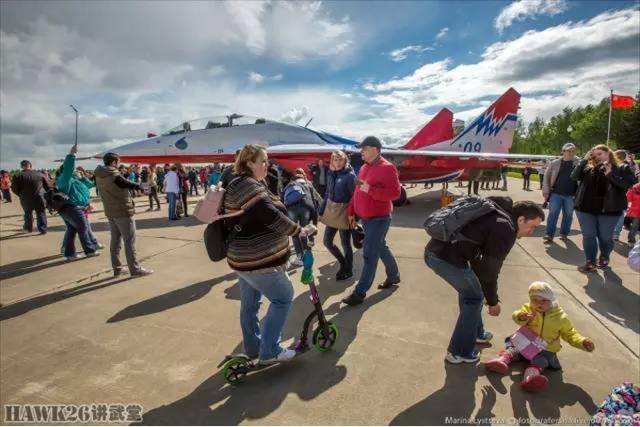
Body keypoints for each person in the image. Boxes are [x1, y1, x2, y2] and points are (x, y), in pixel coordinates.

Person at [223, 144, 316, 364]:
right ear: (249, 163)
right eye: (263, 160)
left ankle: (254, 348)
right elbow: (270, 215)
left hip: (245, 259)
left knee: (250, 305)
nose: (268, 164)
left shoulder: (249, 183)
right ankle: (270, 351)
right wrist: (300, 230)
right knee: (283, 297)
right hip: (256, 260)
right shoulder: (247, 186)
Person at [425, 197, 545, 364]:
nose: (531, 232)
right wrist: (492, 301)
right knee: (473, 298)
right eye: (532, 226)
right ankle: (458, 352)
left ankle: (476, 333)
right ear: (521, 219)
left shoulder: (497, 212)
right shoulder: (505, 229)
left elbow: (479, 259)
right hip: (444, 259)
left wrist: (487, 293)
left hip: (440, 252)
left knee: (472, 291)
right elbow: (490, 271)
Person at [484, 282, 594, 392]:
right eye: (534, 300)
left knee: (541, 361)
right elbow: (516, 316)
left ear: (551, 300)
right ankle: (501, 361)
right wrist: (520, 316)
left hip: (545, 349)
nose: (538, 304)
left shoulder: (560, 318)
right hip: (526, 342)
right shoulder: (528, 308)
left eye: (543, 300)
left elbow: (570, 334)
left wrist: (582, 342)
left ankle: (530, 379)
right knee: (514, 350)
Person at [342, 136, 401, 306]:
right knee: (380, 247)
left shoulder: (387, 168)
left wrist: (370, 189)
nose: (361, 152)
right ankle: (394, 275)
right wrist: (352, 211)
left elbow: (394, 194)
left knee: (369, 255)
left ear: (375, 149)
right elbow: (357, 191)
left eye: (364, 149)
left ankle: (359, 293)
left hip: (379, 219)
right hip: (366, 219)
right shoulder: (364, 168)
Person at [572, 144, 634, 272]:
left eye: (600, 154)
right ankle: (590, 262)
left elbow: (628, 185)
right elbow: (574, 176)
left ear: (608, 153)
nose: (597, 157)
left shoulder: (622, 168)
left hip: (610, 210)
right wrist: (584, 160)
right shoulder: (589, 168)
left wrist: (610, 174)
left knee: (605, 238)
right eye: (594, 155)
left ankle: (604, 255)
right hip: (585, 209)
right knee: (589, 235)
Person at [95, 153, 153, 277]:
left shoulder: (100, 175)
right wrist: (142, 187)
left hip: (110, 212)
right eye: (118, 162)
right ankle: (135, 269)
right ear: (113, 163)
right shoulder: (114, 175)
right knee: (129, 241)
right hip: (122, 211)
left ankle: (117, 268)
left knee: (115, 241)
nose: (119, 164)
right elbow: (126, 183)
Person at [56, 144, 100, 260]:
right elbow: (68, 168)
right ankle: (90, 250)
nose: (75, 171)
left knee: (72, 230)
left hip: (76, 208)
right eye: (74, 170)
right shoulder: (64, 179)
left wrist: (82, 176)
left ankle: (69, 254)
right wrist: (71, 154)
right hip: (72, 207)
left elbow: (90, 185)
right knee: (83, 228)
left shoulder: (76, 180)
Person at [321, 150, 357, 280]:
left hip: (344, 212)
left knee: (345, 244)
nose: (337, 162)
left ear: (345, 160)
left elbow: (355, 197)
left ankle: (348, 270)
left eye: (340, 159)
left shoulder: (350, 176)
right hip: (332, 211)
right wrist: (321, 209)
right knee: (327, 241)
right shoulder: (331, 173)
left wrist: (353, 215)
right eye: (335, 159)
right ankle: (342, 262)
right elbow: (327, 193)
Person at [542, 143, 580, 243]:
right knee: (553, 214)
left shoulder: (578, 163)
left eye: (573, 151)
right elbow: (547, 176)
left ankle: (564, 233)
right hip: (556, 193)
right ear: (563, 151)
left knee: (568, 215)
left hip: (571, 195)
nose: (571, 153)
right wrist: (546, 191)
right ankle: (549, 234)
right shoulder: (555, 163)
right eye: (568, 151)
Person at [282, 168, 320, 267]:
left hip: (291, 210)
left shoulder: (290, 185)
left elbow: (283, 198)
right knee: (305, 231)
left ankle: (300, 257)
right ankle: (307, 254)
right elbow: (314, 200)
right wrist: (315, 219)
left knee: (295, 233)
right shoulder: (308, 185)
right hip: (306, 209)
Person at [11, 160, 50, 234]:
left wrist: (20, 194)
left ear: (22, 166)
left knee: (28, 213)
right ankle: (43, 229)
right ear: (31, 166)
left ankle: (28, 228)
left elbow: (14, 189)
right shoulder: (40, 174)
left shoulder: (17, 176)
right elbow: (47, 187)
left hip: (25, 199)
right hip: (40, 198)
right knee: (41, 213)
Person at [613, 150, 638, 241]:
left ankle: (615, 233)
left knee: (618, 214)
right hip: (618, 194)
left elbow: (633, 182)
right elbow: (634, 181)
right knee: (618, 214)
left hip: (620, 194)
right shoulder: (615, 165)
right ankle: (615, 233)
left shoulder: (625, 167)